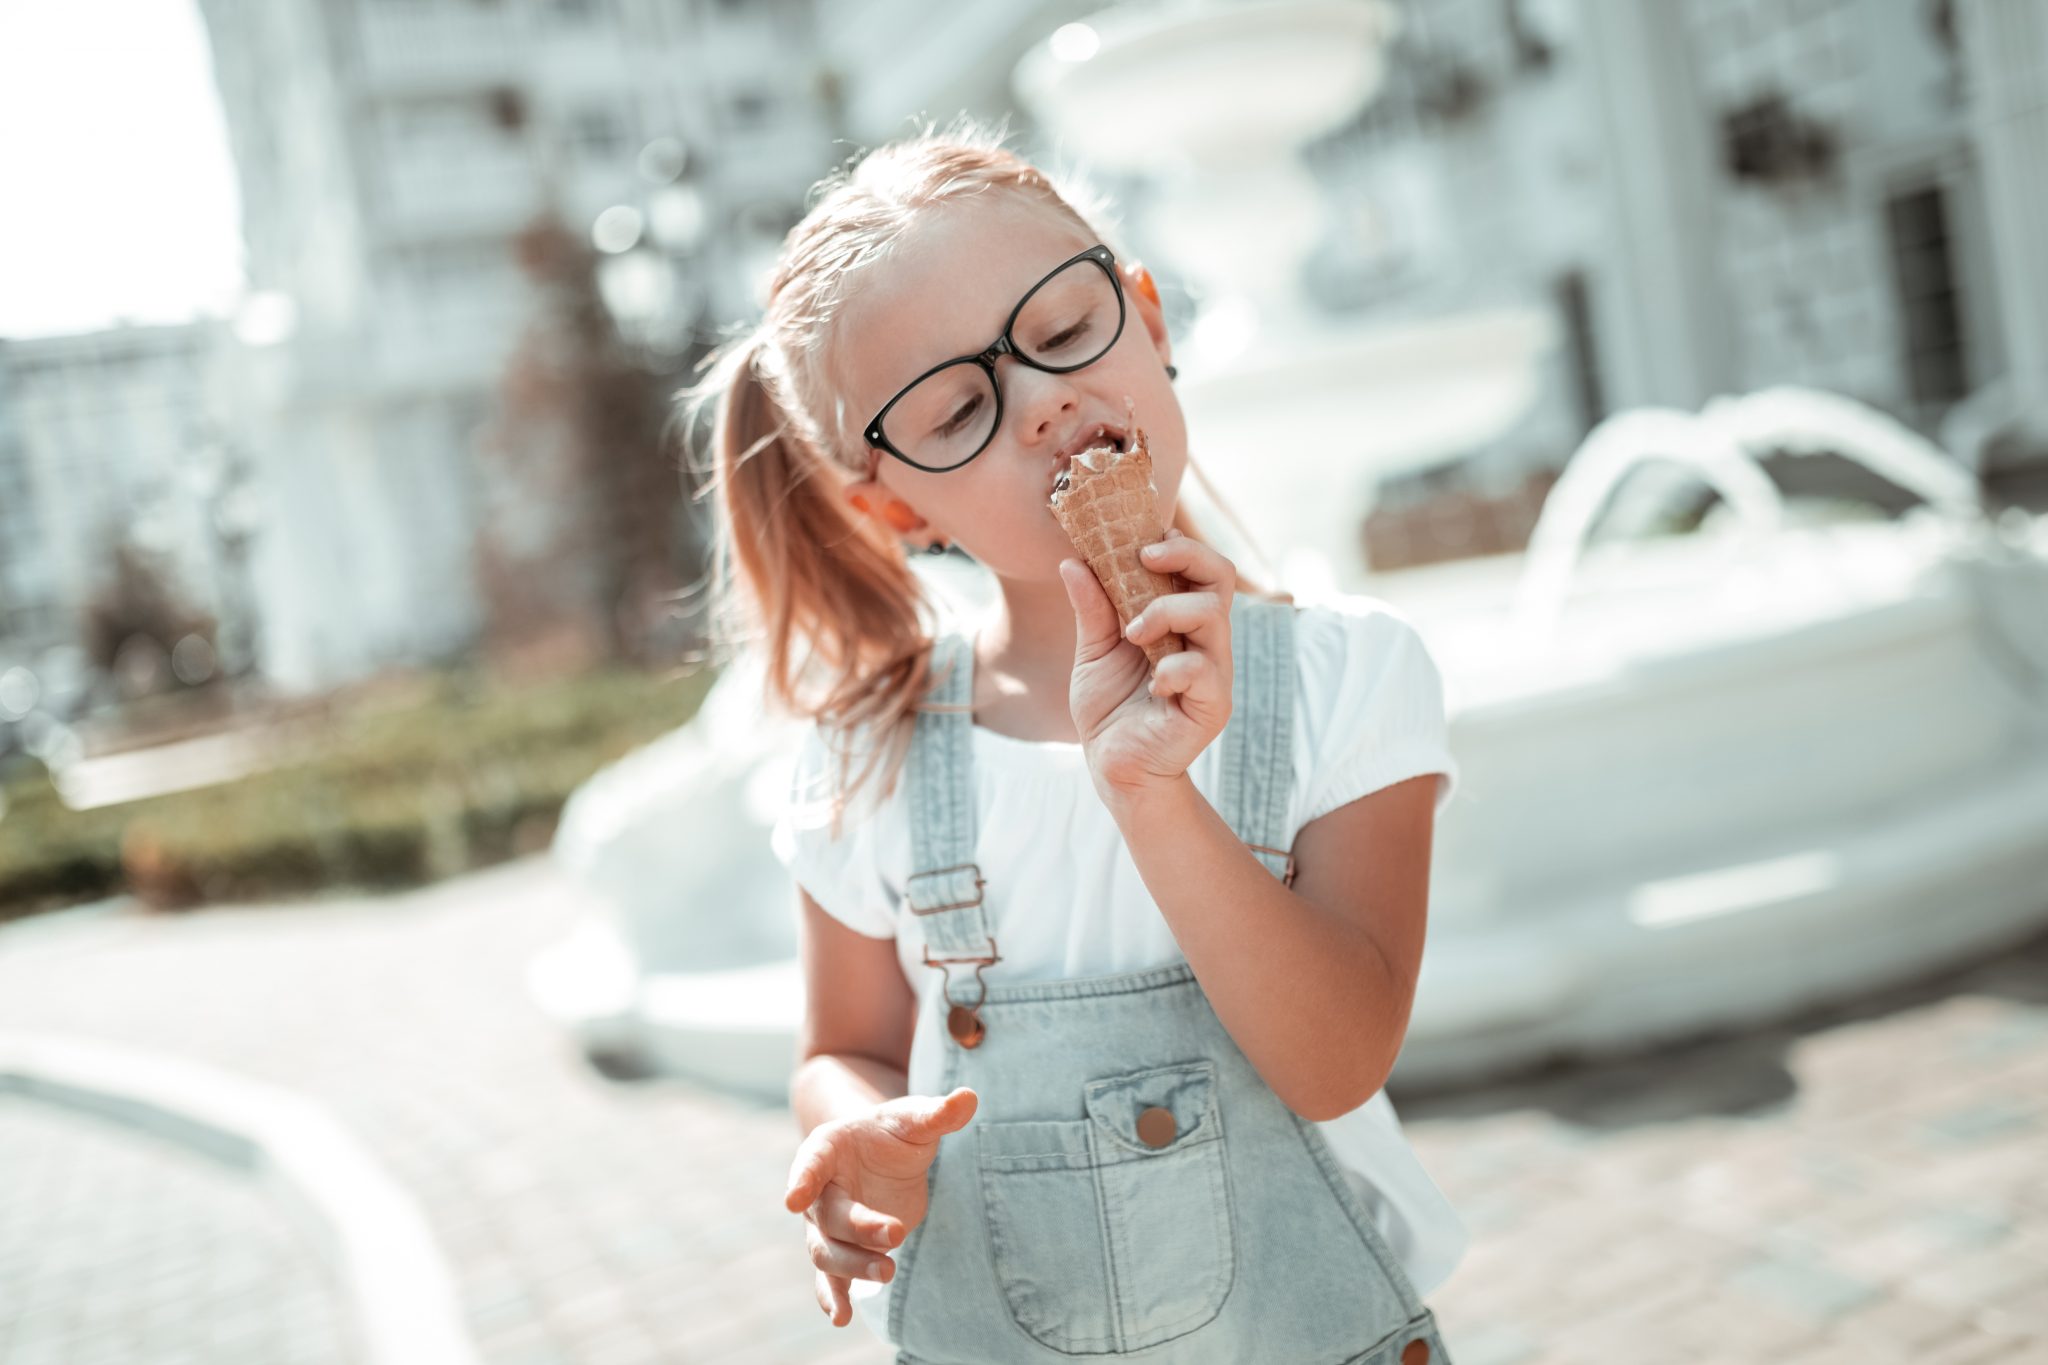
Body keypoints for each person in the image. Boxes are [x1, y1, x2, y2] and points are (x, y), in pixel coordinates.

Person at [684, 118, 1465, 1364]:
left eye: (1058, 335)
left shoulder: (1344, 676)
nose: (1043, 403)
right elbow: (846, 1047)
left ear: (1146, 320)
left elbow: (1335, 1062)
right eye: (956, 411)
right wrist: (853, 1134)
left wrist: (1153, 791)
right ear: (891, 502)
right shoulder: (872, 757)